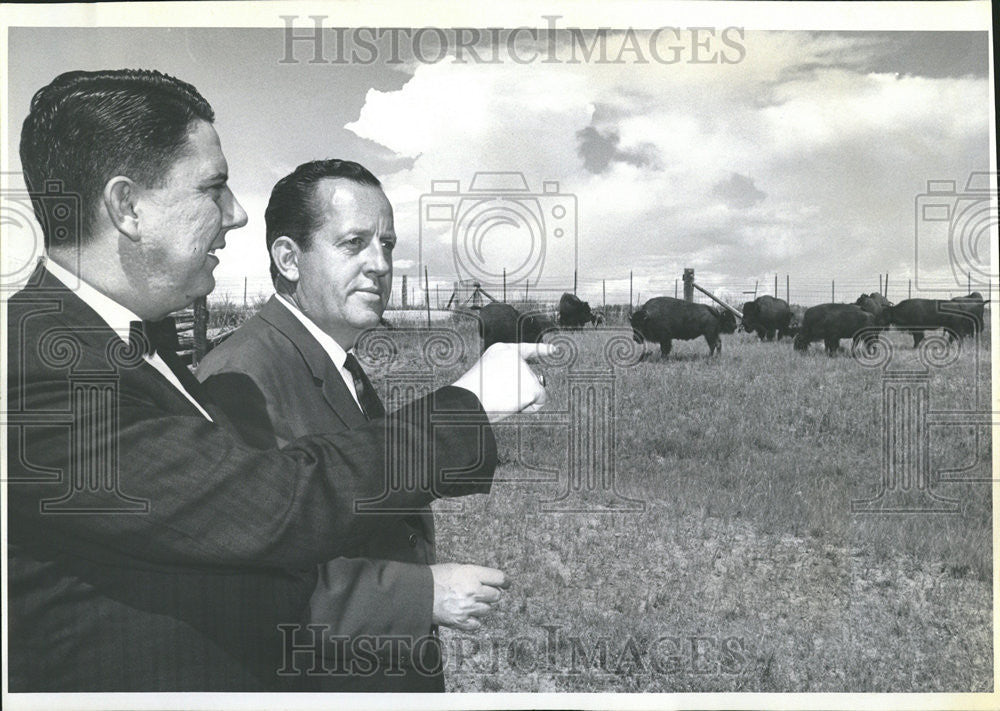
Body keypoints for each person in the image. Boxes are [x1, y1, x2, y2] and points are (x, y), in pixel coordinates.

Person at [6, 69, 548, 692]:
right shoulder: (37, 367)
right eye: (214, 188)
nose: (236, 214)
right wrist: (467, 407)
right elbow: (271, 507)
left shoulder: (130, 345)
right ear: (127, 207)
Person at [197, 159, 510, 691]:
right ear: (289, 259)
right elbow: (243, 579)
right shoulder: (241, 378)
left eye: (386, 244)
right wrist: (420, 595)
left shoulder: (328, 355)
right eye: (353, 243)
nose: (381, 264)